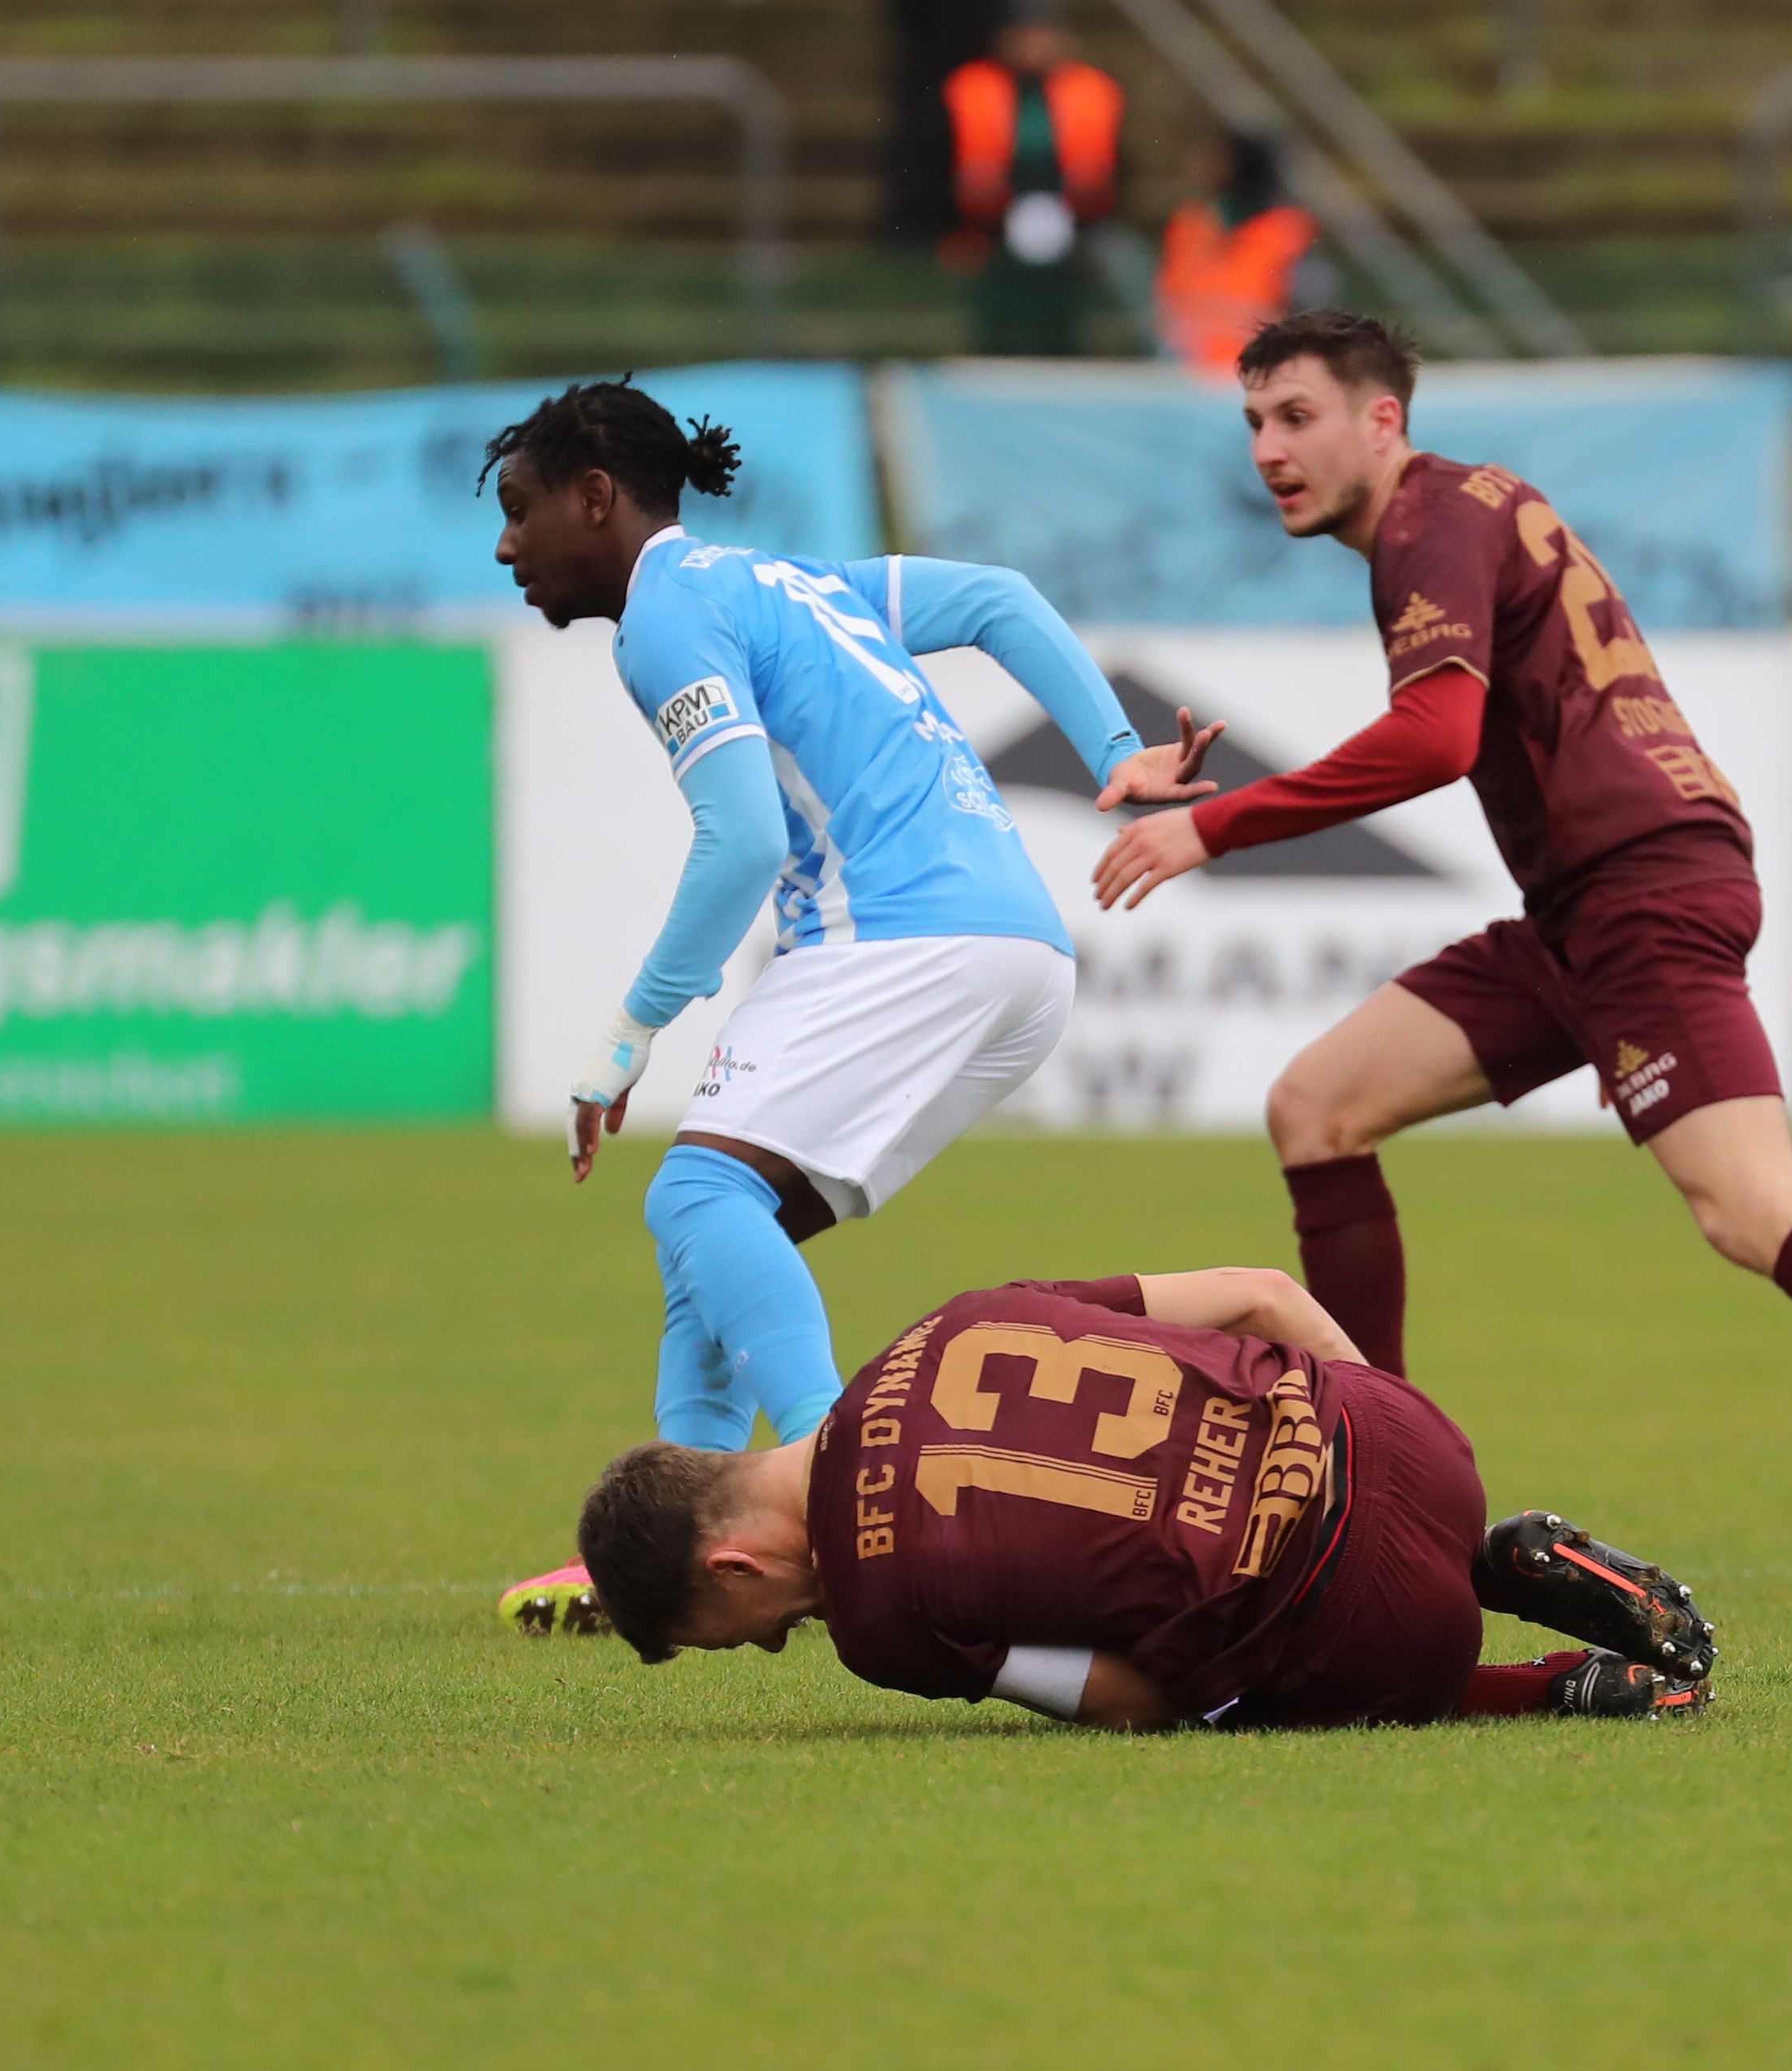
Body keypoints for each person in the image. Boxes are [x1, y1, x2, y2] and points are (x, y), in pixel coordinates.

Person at [1089, 311, 1792, 1595]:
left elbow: (1436, 737)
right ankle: (1385, 1471)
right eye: (1253, 425)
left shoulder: (1425, 523)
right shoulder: (1462, 506)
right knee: (1318, 1107)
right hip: (1584, 905)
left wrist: (1214, 827)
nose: (1268, 451)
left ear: (1382, 420)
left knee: (1747, 1207)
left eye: (1296, 417)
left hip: (1641, 893)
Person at [482, 377, 1223, 1471]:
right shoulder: (797, 580)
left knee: (699, 1195)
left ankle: (838, 1479)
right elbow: (1000, 598)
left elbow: (741, 839)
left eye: (518, 509)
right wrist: (1114, 748)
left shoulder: (664, 617)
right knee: (717, 1241)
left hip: (900, 931)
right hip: (1020, 951)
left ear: (595, 497)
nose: (506, 547)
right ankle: (688, 1531)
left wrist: (633, 1030)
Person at [533, 1266, 1717, 1732]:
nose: (769, 1642)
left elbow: (1133, 1700)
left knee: (1226, 1698)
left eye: (736, 1633)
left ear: (731, 1565)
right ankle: (1490, 1554)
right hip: (1404, 1435)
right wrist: (1386, 1431)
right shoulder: (950, 1319)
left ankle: (1554, 1688)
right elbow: (1261, 1293)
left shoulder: (881, 1628)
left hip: (1381, 1626)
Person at [941, 2, 1124, 356]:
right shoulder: (971, 87)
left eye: (1044, 36)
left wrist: (1092, 208)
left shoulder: (1094, 90)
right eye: (1024, 37)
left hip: (1078, 226)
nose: (1035, 47)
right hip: (988, 228)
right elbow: (941, 166)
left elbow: (1115, 172)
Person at [1154, 131, 1325, 371]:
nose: (1203, 165)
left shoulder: (1288, 229)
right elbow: (1167, 304)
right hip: (1185, 364)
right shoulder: (1190, 224)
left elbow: (1306, 309)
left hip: (1257, 365)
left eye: (1218, 158)